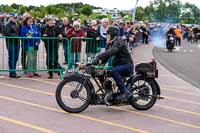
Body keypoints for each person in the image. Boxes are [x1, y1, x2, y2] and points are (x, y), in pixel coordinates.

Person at [93, 26, 134, 101]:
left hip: (127, 65)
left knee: (113, 71)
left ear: (112, 35)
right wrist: (96, 64)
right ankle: (109, 93)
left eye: (107, 34)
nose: (106, 36)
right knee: (101, 73)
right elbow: (105, 57)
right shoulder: (109, 43)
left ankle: (125, 93)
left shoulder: (119, 40)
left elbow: (114, 50)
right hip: (119, 65)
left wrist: (99, 56)